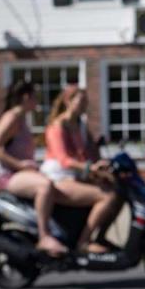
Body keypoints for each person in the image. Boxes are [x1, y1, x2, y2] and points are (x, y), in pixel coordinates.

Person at [0, 80, 68, 256]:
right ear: (25, 97)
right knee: (44, 186)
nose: (37, 101)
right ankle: (44, 236)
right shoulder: (12, 117)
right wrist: (20, 165)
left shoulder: (22, 118)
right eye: (35, 97)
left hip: (21, 174)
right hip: (10, 176)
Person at [41, 85, 122, 253]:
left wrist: (101, 163)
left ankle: (100, 237)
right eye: (81, 101)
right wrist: (90, 167)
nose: (85, 105)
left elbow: (90, 151)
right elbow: (64, 159)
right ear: (68, 101)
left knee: (118, 191)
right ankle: (84, 242)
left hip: (76, 175)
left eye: (86, 101)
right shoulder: (57, 126)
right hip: (59, 178)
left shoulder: (81, 126)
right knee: (107, 197)